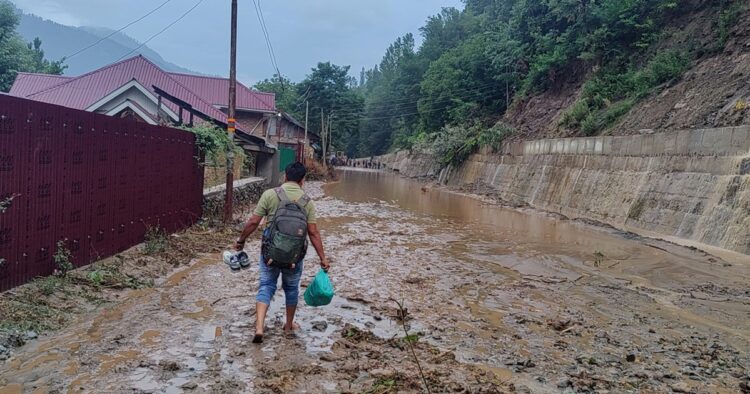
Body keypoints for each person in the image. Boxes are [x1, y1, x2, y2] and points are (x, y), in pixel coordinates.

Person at [234, 162, 330, 343]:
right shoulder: (307, 202)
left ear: (285, 176)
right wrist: (323, 258)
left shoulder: (270, 195)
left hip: (269, 254)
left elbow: (254, 222)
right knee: (291, 288)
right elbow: (313, 232)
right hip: (294, 257)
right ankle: (288, 326)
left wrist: (241, 241)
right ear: (303, 180)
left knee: (266, 285)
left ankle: (260, 326)